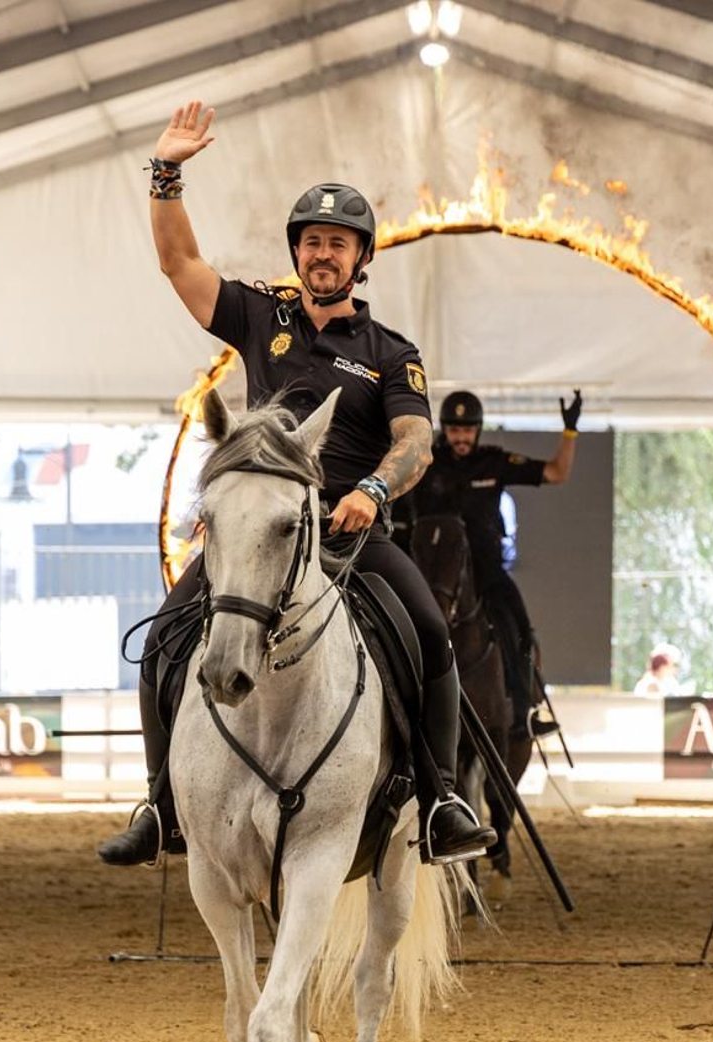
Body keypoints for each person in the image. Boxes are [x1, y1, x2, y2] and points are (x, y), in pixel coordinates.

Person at [98, 100, 496, 867]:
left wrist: (373, 491)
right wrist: (166, 172)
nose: (322, 254)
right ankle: (159, 803)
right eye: (312, 241)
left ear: (360, 257)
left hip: (348, 532)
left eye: (337, 244)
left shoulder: (390, 351)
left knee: (431, 632)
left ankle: (442, 797)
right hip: (256, 532)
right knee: (162, 643)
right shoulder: (259, 314)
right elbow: (179, 265)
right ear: (298, 251)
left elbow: (414, 441)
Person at [399, 388, 580, 720]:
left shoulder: (494, 462)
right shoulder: (426, 464)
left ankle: (524, 712)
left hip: (488, 572)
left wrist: (569, 432)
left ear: (478, 430)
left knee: (521, 631)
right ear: (445, 429)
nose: (461, 437)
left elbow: (557, 473)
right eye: (455, 430)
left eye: (467, 430)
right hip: (432, 577)